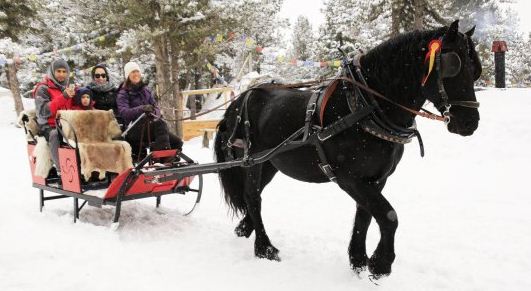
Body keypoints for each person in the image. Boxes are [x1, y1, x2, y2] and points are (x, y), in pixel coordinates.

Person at [116, 61, 183, 159]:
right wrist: (142, 109)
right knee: (160, 124)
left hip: (150, 126)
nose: (136, 74)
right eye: (132, 72)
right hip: (133, 128)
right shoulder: (123, 93)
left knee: (177, 142)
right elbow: (124, 112)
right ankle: (162, 158)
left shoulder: (146, 90)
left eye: (137, 71)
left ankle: (172, 160)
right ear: (128, 76)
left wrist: (153, 111)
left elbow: (156, 108)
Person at [34, 59, 75, 172]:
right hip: (49, 125)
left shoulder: (68, 87)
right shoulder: (43, 88)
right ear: (52, 72)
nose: (61, 74)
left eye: (64, 71)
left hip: (67, 123)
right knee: (55, 134)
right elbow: (43, 111)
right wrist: (64, 97)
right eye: (58, 71)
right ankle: (61, 169)